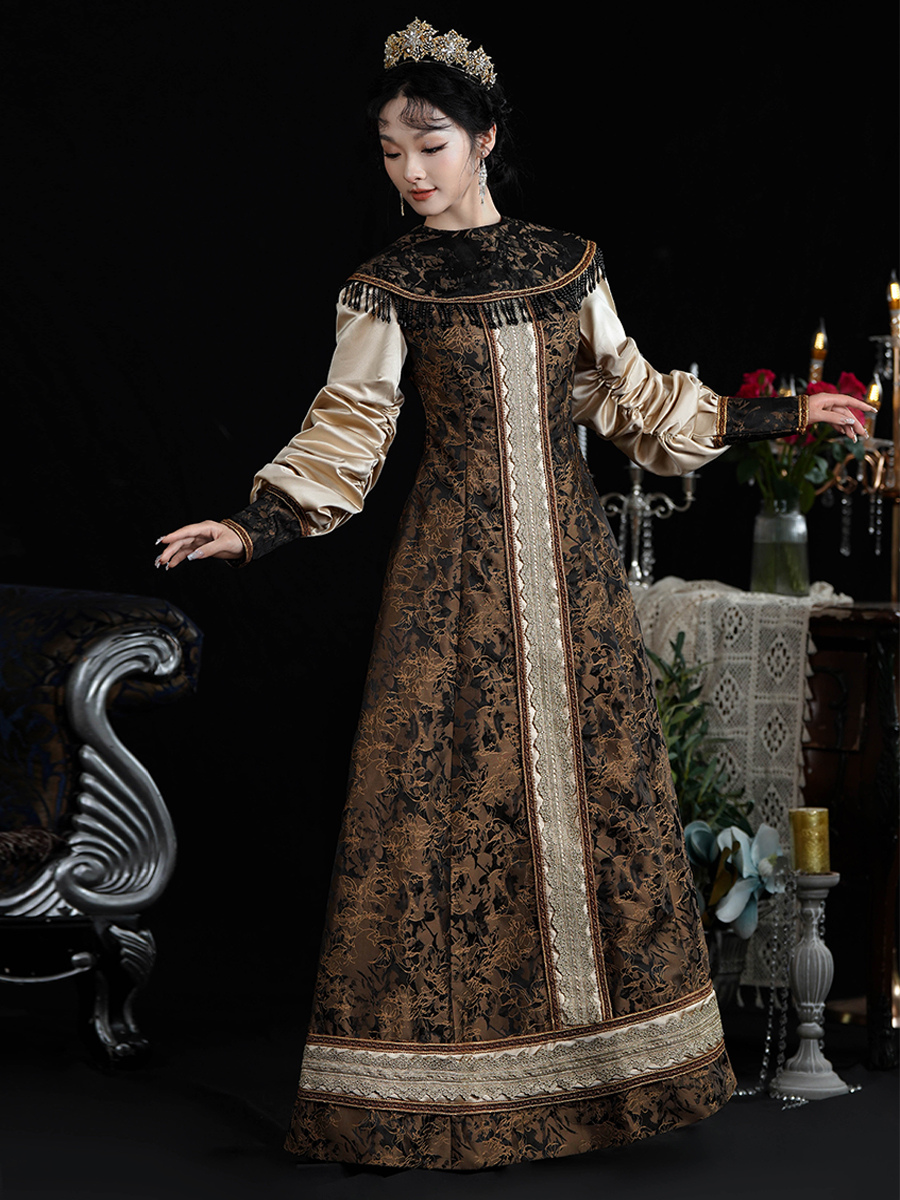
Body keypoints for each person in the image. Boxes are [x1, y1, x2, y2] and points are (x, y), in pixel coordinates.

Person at [156, 20, 873, 1172]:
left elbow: (639, 404)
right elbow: (350, 431)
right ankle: (436, 1096)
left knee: (595, 802)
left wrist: (781, 411)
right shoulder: (388, 287)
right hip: (452, 586)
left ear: (485, 138)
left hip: (573, 580)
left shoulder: (567, 266)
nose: (411, 171)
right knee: (443, 814)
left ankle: (598, 1085)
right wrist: (257, 524)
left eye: (431, 144)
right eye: (391, 151)